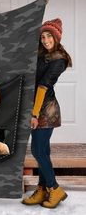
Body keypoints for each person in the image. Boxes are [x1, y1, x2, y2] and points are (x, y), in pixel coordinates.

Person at [22, 18, 72, 209]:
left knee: (37, 150)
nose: (45, 40)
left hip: (46, 109)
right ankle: (42, 189)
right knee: (43, 151)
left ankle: (54, 188)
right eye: (42, 36)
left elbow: (43, 86)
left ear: (56, 38)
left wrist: (34, 115)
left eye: (49, 36)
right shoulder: (42, 55)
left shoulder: (59, 60)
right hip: (36, 106)